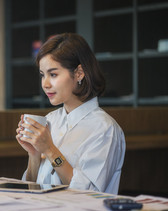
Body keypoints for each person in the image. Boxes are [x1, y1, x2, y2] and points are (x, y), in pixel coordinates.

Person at [16, 33, 126, 194]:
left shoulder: (104, 129)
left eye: (53, 74)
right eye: (42, 75)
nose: (45, 84)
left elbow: (87, 193)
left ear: (79, 73)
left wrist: (50, 149)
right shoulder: (50, 119)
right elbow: (31, 188)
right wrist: (34, 154)